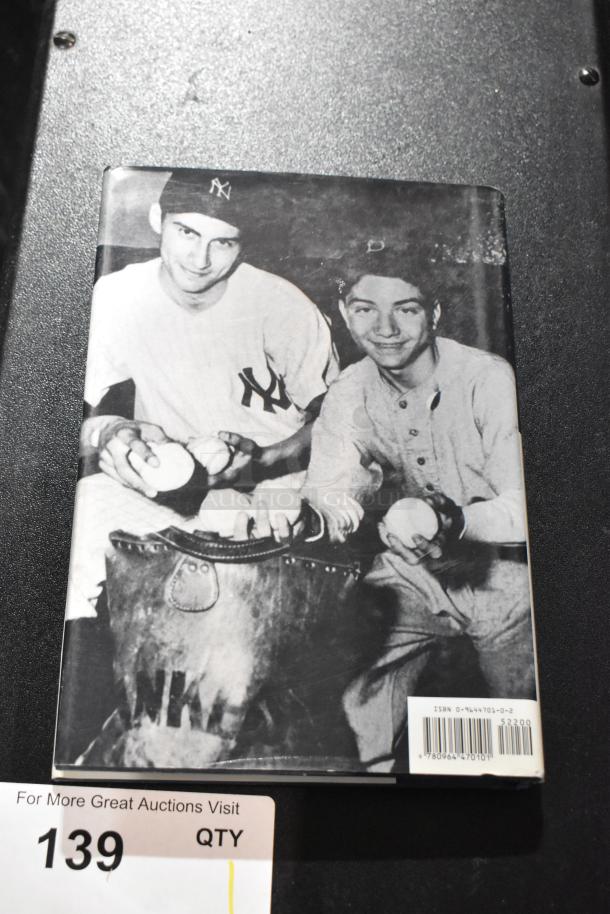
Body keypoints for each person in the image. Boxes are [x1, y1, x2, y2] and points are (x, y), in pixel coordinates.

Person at [300, 246, 535, 772]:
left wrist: (450, 519)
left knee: (519, 737)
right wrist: (307, 516)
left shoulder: (487, 378)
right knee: (352, 702)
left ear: (433, 313)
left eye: (405, 308)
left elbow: (528, 513)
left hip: (507, 582)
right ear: (344, 310)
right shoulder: (349, 390)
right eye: (365, 308)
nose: (384, 328)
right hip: (411, 575)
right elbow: (331, 496)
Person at [66, 170, 339, 619]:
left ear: (244, 244)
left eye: (223, 242)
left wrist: (264, 459)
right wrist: (113, 433)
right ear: (158, 219)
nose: (200, 259)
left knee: (236, 624)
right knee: (79, 513)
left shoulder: (281, 305)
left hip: (278, 494)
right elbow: (54, 422)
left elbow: (338, 422)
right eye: (187, 232)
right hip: (171, 490)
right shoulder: (116, 297)